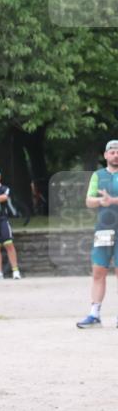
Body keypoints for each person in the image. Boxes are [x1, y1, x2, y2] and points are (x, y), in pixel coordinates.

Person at [77, 139, 118, 328]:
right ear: (106, 155)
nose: (115, 155)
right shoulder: (98, 175)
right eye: (112, 152)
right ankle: (94, 314)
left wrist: (113, 200)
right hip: (104, 229)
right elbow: (89, 201)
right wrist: (102, 202)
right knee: (98, 271)